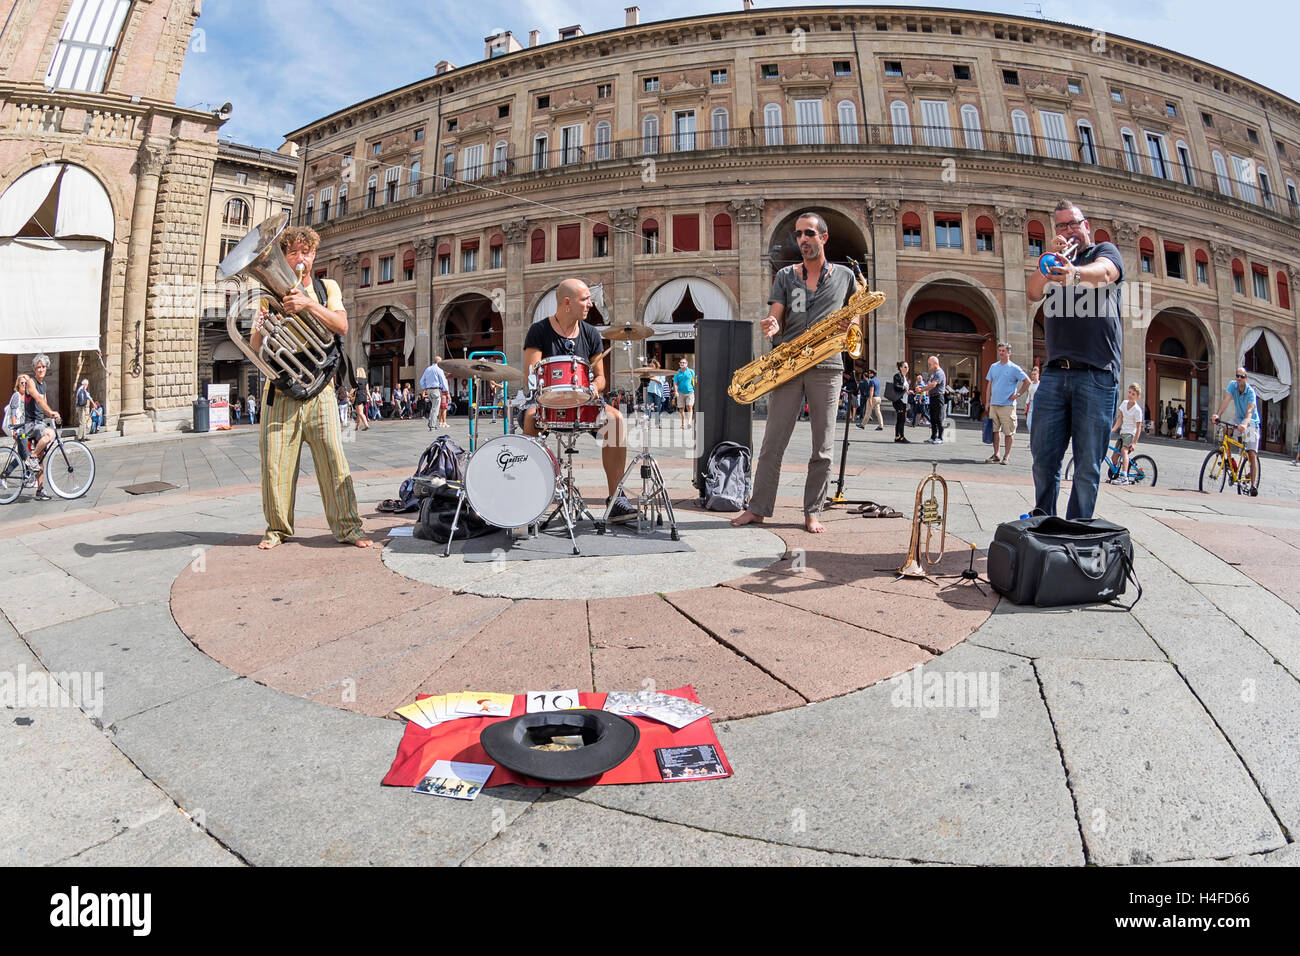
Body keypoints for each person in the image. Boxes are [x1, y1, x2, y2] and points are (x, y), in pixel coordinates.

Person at [731, 212, 861, 534]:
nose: (803, 240)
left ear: (823, 238)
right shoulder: (786, 276)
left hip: (827, 365)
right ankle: (757, 508)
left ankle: (812, 511)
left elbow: (856, 321)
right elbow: (776, 316)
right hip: (788, 363)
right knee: (772, 443)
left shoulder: (846, 276)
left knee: (823, 447)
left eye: (809, 234)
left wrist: (850, 328)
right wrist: (772, 324)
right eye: (799, 235)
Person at [252, 225, 370, 550]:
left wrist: (307, 305)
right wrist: (262, 328)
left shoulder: (327, 286)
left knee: (334, 458)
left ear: (314, 255)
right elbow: (253, 347)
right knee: (275, 463)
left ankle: (349, 528)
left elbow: (341, 325)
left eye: (305, 252)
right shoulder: (267, 295)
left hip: (320, 387)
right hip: (281, 388)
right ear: (284, 257)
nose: (300, 258)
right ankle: (276, 529)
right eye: (293, 252)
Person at [1025, 199, 1125, 519]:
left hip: (1096, 373)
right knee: (1044, 458)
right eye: (1061, 226)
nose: (1069, 230)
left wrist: (1074, 273)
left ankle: (1076, 530)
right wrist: (1052, 260)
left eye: (1073, 223)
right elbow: (1032, 291)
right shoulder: (1055, 262)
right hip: (1055, 373)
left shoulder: (1103, 251)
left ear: (1087, 226)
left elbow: (1106, 273)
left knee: (1086, 465)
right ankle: (1043, 519)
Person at [522, 277, 636, 523]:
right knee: (530, 419)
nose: (590, 304)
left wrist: (595, 386)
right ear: (567, 302)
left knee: (615, 420)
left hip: (585, 402)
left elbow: (602, 377)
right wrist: (548, 392)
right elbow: (532, 376)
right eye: (585, 299)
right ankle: (529, 496)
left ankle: (616, 498)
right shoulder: (539, 331)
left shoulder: (591, 333)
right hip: (546, 401)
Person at [1211, 367, 1261, 495]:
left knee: (1251, 453)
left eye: (1242, 377)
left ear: (1246, 379)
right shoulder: (1232, 386)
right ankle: (1229, 461)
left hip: (1251, 423)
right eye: (1237, 376)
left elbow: (1250, 410)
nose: (1239, 378)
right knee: (1226, 429)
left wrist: (1245, 423)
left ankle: (1253, 485)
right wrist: (1218, 415)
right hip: (1238, 419)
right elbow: (1226, 400)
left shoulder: (1250, 392)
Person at [20, 355, 62, 500]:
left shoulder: (43, 385)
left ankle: (40, 489)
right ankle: (31, 458)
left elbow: (44, 404)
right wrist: (50, 412)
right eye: (38, 367)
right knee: (50, 435)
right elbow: (38, 399)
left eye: (43, 367)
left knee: (41, 458)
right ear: (35, 369)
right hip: (30, 424)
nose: (41, 369)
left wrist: (51, 415)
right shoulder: (31, 382)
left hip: (39, 422)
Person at [983, 343, 1029, 465]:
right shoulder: (993, 366)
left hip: (1007, 406)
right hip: (994, 404)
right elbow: (989, 385)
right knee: (994, 430)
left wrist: (1018, 394)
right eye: (1000, 351)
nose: (1001, 353)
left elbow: (1027, 381)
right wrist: (987, 401)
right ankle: (996, 454)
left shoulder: (1014, 368)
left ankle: (1006, 456)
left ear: (1009, 353)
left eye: (1003, 351)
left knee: (1008, 432)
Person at [1110, 382, 1144, 484]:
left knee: (1124, 451)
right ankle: (1117, 473)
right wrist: (1113, 429)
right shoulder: (1124, 403)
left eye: (1133, 394)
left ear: (1138, 397)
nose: (1130, 395)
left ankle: (1124, 477)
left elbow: (1138, 428)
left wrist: (1134, 443)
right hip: (1123, 433)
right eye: (1129, 392)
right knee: (1114, 457)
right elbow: (1121, 418)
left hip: (1130, 434)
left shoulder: (1137, 410)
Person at [916, 355, 947, 444]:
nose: (929, 366)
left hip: (938, 397)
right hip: (933, 397)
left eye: (930, 364)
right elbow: (929, 385)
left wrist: (922, 389)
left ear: (935, 363)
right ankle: (933, 436)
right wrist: (921, 388)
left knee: (938, 418)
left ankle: (940, 438)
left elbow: (933, 385)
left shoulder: (939, 373)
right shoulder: (934, 373)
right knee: (933, 418)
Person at [419, 356, 450, 430]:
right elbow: (443, 381)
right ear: (439, 362)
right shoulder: (439, 369)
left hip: (429, 390)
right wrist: (446, 391)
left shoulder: (428, 369)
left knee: (433, 407)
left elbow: (421, 381)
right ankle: (432, 425)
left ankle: (431, 422)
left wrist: (425, 388)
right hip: (436, 390)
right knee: (435, 408)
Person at [672, 357, 696, 429]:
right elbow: (675, 383)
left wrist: (695, 390)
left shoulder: (691, 371)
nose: (682, 364)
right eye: (681, 362)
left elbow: (694, 381)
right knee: (681, 408)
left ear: (687, 364)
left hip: (690, 392)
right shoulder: (677, 373)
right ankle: (683, 423)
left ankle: (689, 422)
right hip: (680, 393)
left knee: (689, 406)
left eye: (684, 362)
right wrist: (676, 392)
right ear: (679, 364)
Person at [891, 360, 911, 443]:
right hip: (898, 401)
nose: (907, 368)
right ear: (900, 368)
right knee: (901, 418)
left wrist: (909, 391)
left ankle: (897, 436)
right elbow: (896, 386)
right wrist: (904, 388)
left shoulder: (905, 378)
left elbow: (904, 389)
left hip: (904, 401)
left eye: (907, 367)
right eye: (905, 367)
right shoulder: (897, 376)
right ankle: (901, 437)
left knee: (900, 419)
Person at [644, 357, 667, 427]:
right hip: (649, 391)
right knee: (649, 407)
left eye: (652, 365)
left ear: (656, 365)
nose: (651, 367)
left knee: (657, 408)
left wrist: (653, 379)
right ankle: (647, 422)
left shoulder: (661, 372)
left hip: (658, 392)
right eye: (650, 365)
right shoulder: (647, 372)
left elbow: (662, 382)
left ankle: (657, 423)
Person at [1025, 365, 1040, 444]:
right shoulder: (1030, 384)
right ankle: (1032, 439)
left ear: (1038, 374)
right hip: (1031, 403)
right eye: (1032, 375)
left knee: (1036, 423)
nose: (1033, 376)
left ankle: (1034, 440)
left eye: (1034, 374)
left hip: (1038, 404)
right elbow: (1029, 394)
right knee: (1029, 423)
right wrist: (1026, 403)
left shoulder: (1040, 385)